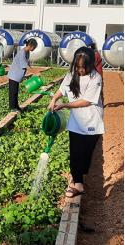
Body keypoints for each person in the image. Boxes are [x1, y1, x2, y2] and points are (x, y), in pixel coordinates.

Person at [47, 46, 104, 198]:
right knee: (75, 151)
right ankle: (77, 183)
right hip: (77, 120)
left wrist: (65, 105)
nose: (80, 70)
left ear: (91, 64)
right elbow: (62, 89)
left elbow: (86, 102)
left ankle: (81, 175)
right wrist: (54, 99)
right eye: (77, 67)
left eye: (83, 67)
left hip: (92, 119)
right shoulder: (71, 74)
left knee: (87, 151)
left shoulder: (96, 78)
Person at [7, 38, 38, 112]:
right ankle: (12, 108)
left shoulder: (27, 52)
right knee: (13, 92)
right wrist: (35, 72)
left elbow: (27, 62)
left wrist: (32, 68)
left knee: (16, 92)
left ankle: (16, 106)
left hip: (17, 76)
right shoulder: (22, 53)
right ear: (30, 46)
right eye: (34, 47)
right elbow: (24, 66)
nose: (34, 49)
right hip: (14, 75)